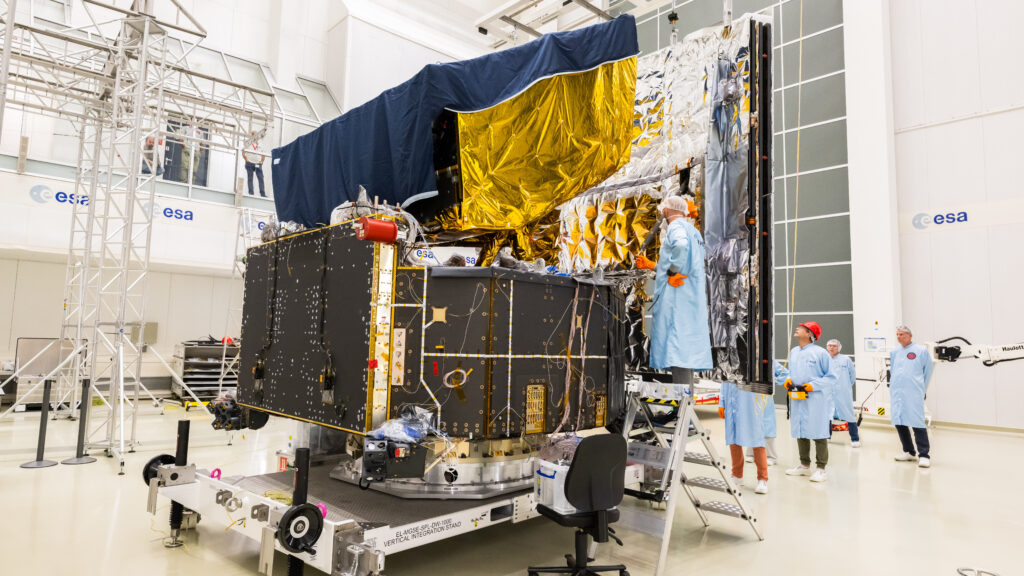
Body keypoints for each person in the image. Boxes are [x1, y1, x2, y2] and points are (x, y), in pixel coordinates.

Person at [637, 195, 712, 385]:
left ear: (668, 210)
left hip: (678, 302)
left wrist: (671, 271)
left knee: (678, 352)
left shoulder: (676, 227)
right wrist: (654, 266)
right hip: (689, 300)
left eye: (663, 208)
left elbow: (680, 247)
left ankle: (683, 403)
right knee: (683, 354)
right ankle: (685, 403)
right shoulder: (693, 231)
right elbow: (687, 260)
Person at [783, 321, 836, 483]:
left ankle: (821, 469)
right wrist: (788, 380)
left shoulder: (820, 353)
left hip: (815, 398)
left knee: (818, 431)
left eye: (802, 328)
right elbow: (791, 372)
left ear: (810, 334)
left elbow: (832, 377)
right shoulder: (793, 352)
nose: (797, 329)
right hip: (797, 396)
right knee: (800, 429)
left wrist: (812, 386)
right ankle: (804, 465)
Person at [889, 324, 934, 468]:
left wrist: (921, 388)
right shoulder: (895, 352)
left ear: (910, 336)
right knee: (899, 421)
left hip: (913, 392)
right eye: (897, 334)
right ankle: (908, 451)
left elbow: (928, 371)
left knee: (917, 422)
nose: (899, 337)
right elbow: (894, 369)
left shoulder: (921, 351)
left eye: (901, 334)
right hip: (897, 392)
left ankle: (924, 455)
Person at [718, 380, 769, 494]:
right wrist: (721, 402)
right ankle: (736, 475)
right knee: (733, 439)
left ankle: (762, 479)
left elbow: (769, 370)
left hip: (751, 404)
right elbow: (724, 379)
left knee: (756, 439)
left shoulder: (755, 361)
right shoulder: (729, 362)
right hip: (731, 402)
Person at [745, 361, 785, 467]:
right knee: (752, 425)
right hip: (751, 395)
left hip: (765, 396)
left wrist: (773, 381)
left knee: (767, 425)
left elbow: (784, 374)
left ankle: (771, 456)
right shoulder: (748, 359)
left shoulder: (770, 361)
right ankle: (751, 453)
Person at [827, 339, 861, 447]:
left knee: (849, 415)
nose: (831, 348)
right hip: (828, 392)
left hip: (843, 392)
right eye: (830, 346)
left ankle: (855, 439)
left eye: (834, 346)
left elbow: (852, 375)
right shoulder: (824, 359)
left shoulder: (846, 359)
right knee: (826, 414)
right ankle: (827, 436)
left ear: (839, 348)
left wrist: (845, 387)